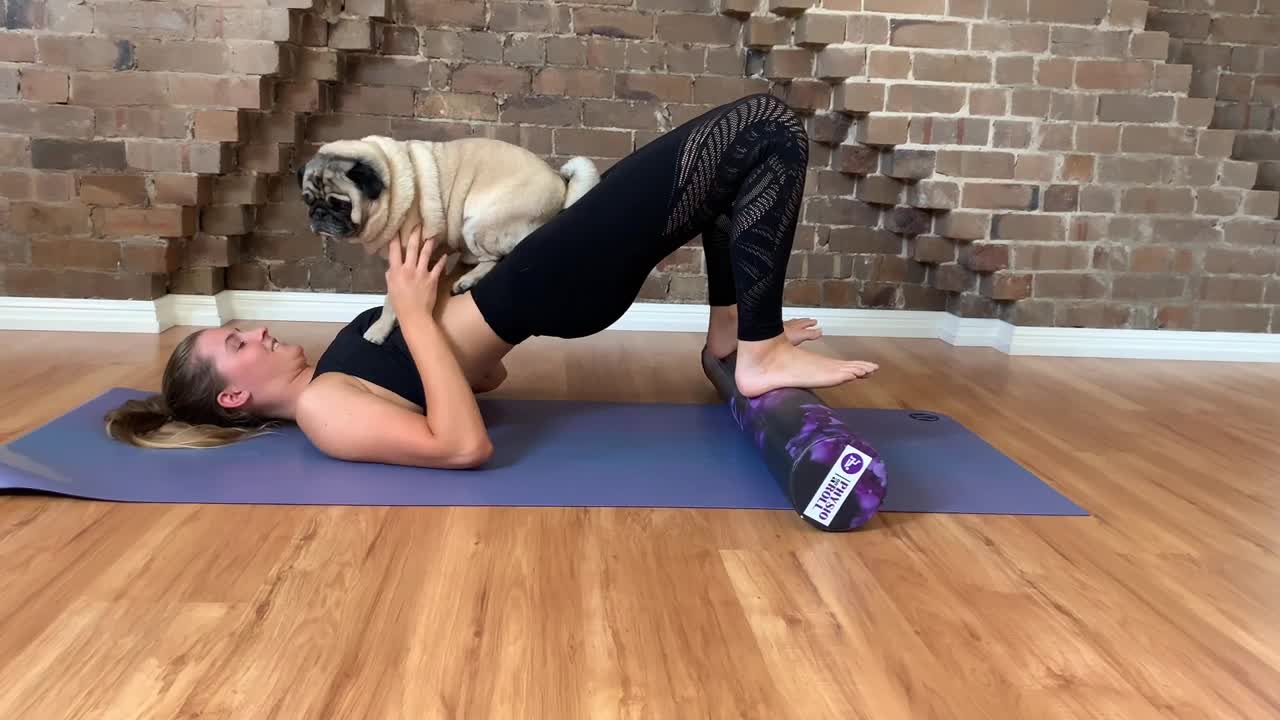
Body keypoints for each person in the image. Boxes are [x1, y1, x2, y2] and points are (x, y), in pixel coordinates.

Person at [104, 93, 879, 468]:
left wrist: (434, 300)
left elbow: (481, 374)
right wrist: (413, 313)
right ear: (234, 394)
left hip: (538, 281)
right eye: (238, 342)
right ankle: (761, 348)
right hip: (549, 284)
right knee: (765, 129)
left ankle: (734, 337)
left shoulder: (335, 376)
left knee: (729, 175)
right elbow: (462, 445)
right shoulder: (324, 413)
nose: (260, 331)